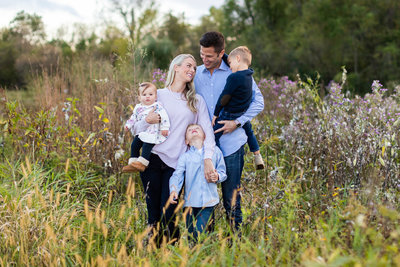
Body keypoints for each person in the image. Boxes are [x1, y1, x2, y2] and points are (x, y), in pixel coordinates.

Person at [133, 54, 216, 244]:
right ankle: (154, 253)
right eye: (189, 65)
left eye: (194, 68)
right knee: (153, 212)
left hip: (176, 164)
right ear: (176, 67)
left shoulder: (196, 101)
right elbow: (135, 128)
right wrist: (147, 120)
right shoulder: (157, 95)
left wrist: (208, 158)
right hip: (151, 159)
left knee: (168, 210)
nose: (192, 70)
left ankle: (171, 247)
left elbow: (208, 132)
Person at [194, 31, 264, 231]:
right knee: (205, 196)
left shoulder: (238, 72)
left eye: (209, 56)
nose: (205, 59)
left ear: (221, 53)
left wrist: (238, 122)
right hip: (205, 146)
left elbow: (259, 102)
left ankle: (236, 240)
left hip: (232, 144)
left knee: (231, 196)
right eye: (202, 55)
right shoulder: (197, 74)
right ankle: (206, 242)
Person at [169, 124, 227, 242]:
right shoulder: (184, 157)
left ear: (205, 136)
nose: (193, 130)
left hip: (208, 202)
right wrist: (174, 190)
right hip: (189, 203)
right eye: (189, 130)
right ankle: (195, 255)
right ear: (186, 140)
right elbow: (177, 175)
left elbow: (223, 171)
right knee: (190, 234)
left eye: (197, 128)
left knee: (199, 232)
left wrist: (217, 176)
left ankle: (199, 253)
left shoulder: (215, 152)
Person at [211, 46, 264, 170]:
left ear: (238, 59)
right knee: (249, 132)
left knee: (214, 134)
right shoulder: (249, 75)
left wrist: (216, 113)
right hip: (243, 113)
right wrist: (223, 55)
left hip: (230, 113)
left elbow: (224, 97)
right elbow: (231, 58)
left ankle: (217, 160)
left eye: (230, 63)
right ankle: (257, 155)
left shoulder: (234, 77)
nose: (229, 67)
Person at [122, 82, 170, 173]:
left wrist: (165, 128)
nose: (147, 97)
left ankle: (142, 164)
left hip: (152, 132)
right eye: (144, 95)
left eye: (150, 94)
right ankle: (133, 162)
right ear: (139, 97)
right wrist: (128, 125)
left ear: (155, 97)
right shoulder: (138, 108)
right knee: (134, 145)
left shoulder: (157, 107)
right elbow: (133, 118)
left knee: (146, 146)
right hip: (141, 132)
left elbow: (164, 117)